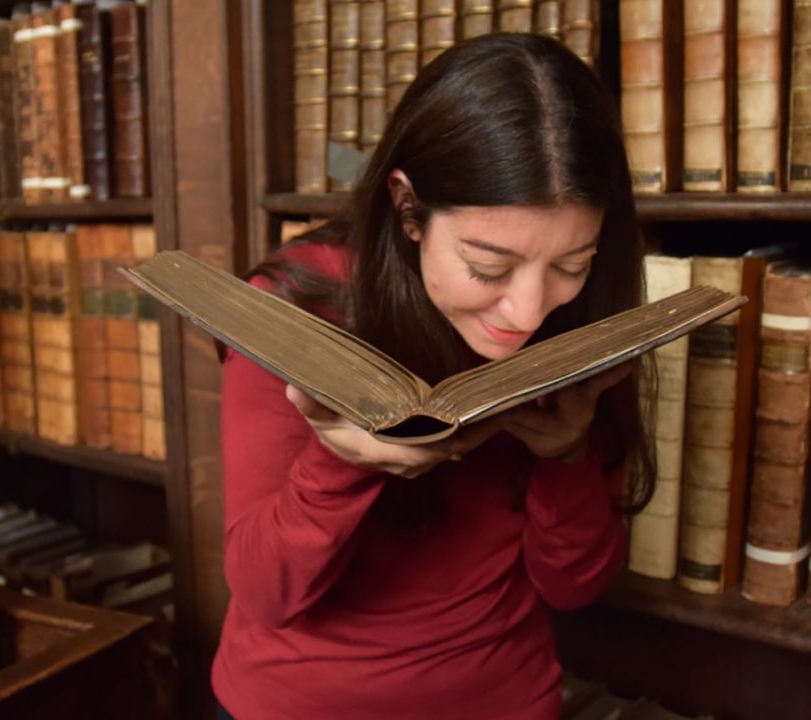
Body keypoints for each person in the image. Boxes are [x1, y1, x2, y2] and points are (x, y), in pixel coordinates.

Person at [213, 32, 655, 720]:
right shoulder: (298, 305)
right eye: (488, 266)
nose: (529, 310)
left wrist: (565, 455)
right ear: (409, 208)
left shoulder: (578, 323)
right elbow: (267, 592)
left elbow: (576, 588)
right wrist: (341, 464)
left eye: (573, 263)